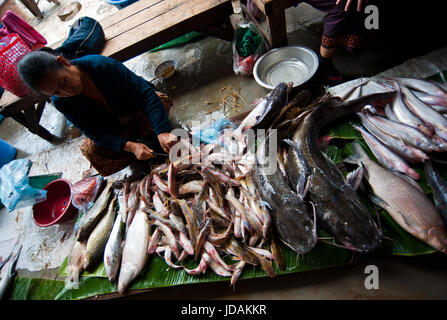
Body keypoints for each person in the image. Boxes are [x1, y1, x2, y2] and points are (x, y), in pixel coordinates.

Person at [17, 51, 178, 176]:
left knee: (159, 100)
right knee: (90, 152)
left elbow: (144, 93)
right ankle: (138, 149)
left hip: (134, 110)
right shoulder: (62, 102)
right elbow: (94, 133)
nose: (66, 92)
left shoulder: (102, 66)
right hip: (115, 129)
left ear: (63, 62)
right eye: (56, 92)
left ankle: (154, 137)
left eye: (63, 82)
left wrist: (162, 131)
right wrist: (129, 146)